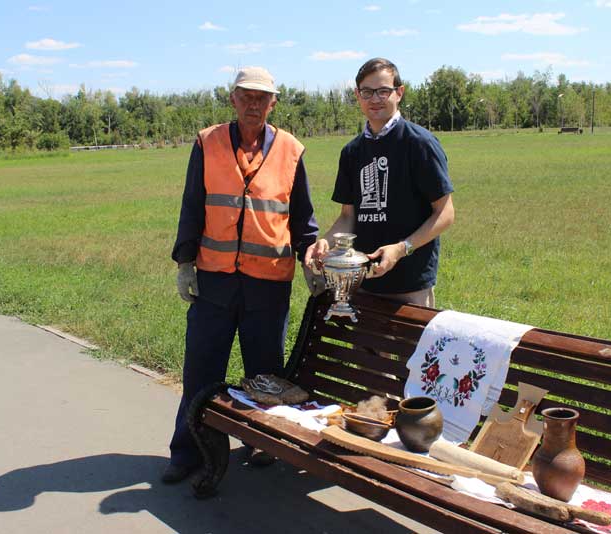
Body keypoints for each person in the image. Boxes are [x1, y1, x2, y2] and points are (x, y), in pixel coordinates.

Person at [165, 66, 319, 483]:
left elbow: (302, 218)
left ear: (273, 103)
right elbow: (192, 204)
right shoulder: (207, 142)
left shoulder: (291, 150)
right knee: (201, 371)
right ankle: (188, 452)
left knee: (265, 376)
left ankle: (263, 447)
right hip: (214, 282)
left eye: (262, 97)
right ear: (232, 99)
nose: (254, 104)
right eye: (246, 96)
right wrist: (185, 262)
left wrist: (311, 258)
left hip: (268, 285)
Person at [305, 58, 454, 307]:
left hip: (410, 284)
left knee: (409, 347)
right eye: (367, 92)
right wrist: (325, 242)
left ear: (399, 93)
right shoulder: (352, 152)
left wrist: (402, 248)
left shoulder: (419, 144)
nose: (375, 99)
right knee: (363, 347)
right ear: (357, 95)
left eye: (383, 91)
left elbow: (445, 213)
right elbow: (347, 216)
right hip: (362, 281)